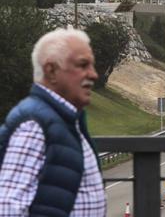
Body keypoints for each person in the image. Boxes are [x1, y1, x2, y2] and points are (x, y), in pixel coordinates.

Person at [0, 28, 105, 215]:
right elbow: (7, 209)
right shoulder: (34, 125)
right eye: (83, 65)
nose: (93, 74)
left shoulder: (65, 120)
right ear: (51, 71)